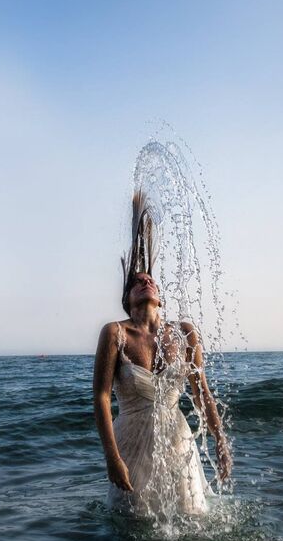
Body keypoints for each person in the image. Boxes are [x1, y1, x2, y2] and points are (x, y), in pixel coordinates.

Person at [92, 191, 232, 520]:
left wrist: (220, 440)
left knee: (188, 519)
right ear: (127, 299)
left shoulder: (184, 332)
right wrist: (112, 458)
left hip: (176, 439)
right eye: (136, 283)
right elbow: (99, 397)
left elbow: (202, 393)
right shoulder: (115, 333)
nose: (145, 281)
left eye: (149, 280)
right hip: (131, 442)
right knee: (133, 527)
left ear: (160, 297)